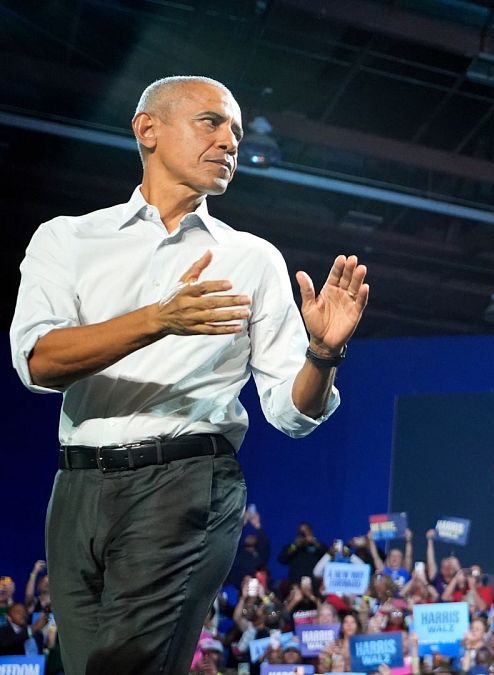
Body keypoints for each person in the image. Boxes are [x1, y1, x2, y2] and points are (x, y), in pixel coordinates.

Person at [9, 75, 370, 674]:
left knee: (125, 666)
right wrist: (158, 319)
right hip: (76, 487)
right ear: (147, 128)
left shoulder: (253, 258)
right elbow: (39, 363)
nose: (230, 141)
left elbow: (292, 412)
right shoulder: (68, 238)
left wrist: (322, 354)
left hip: (185, 483)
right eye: (212, 121)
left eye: (236, 132)